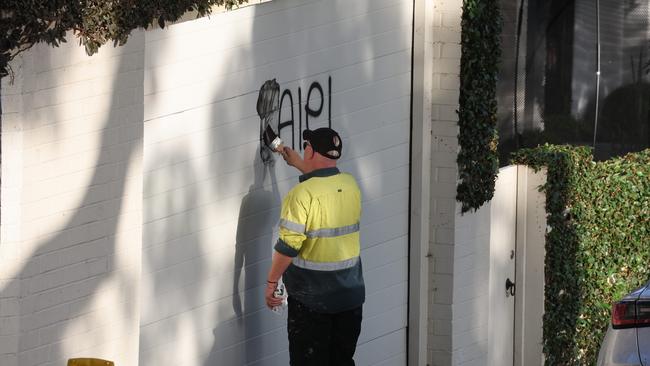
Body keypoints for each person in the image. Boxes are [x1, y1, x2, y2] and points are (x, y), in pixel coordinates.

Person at [265, 127, 365, 366]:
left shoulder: (301, 195)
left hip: (313, 304)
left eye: (306, 146)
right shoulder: (351, 185)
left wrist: (271, 283)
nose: (303, 149)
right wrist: (300, 164)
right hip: (350, 300)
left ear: (310, 151)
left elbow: (288, 246)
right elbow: (325, 186)